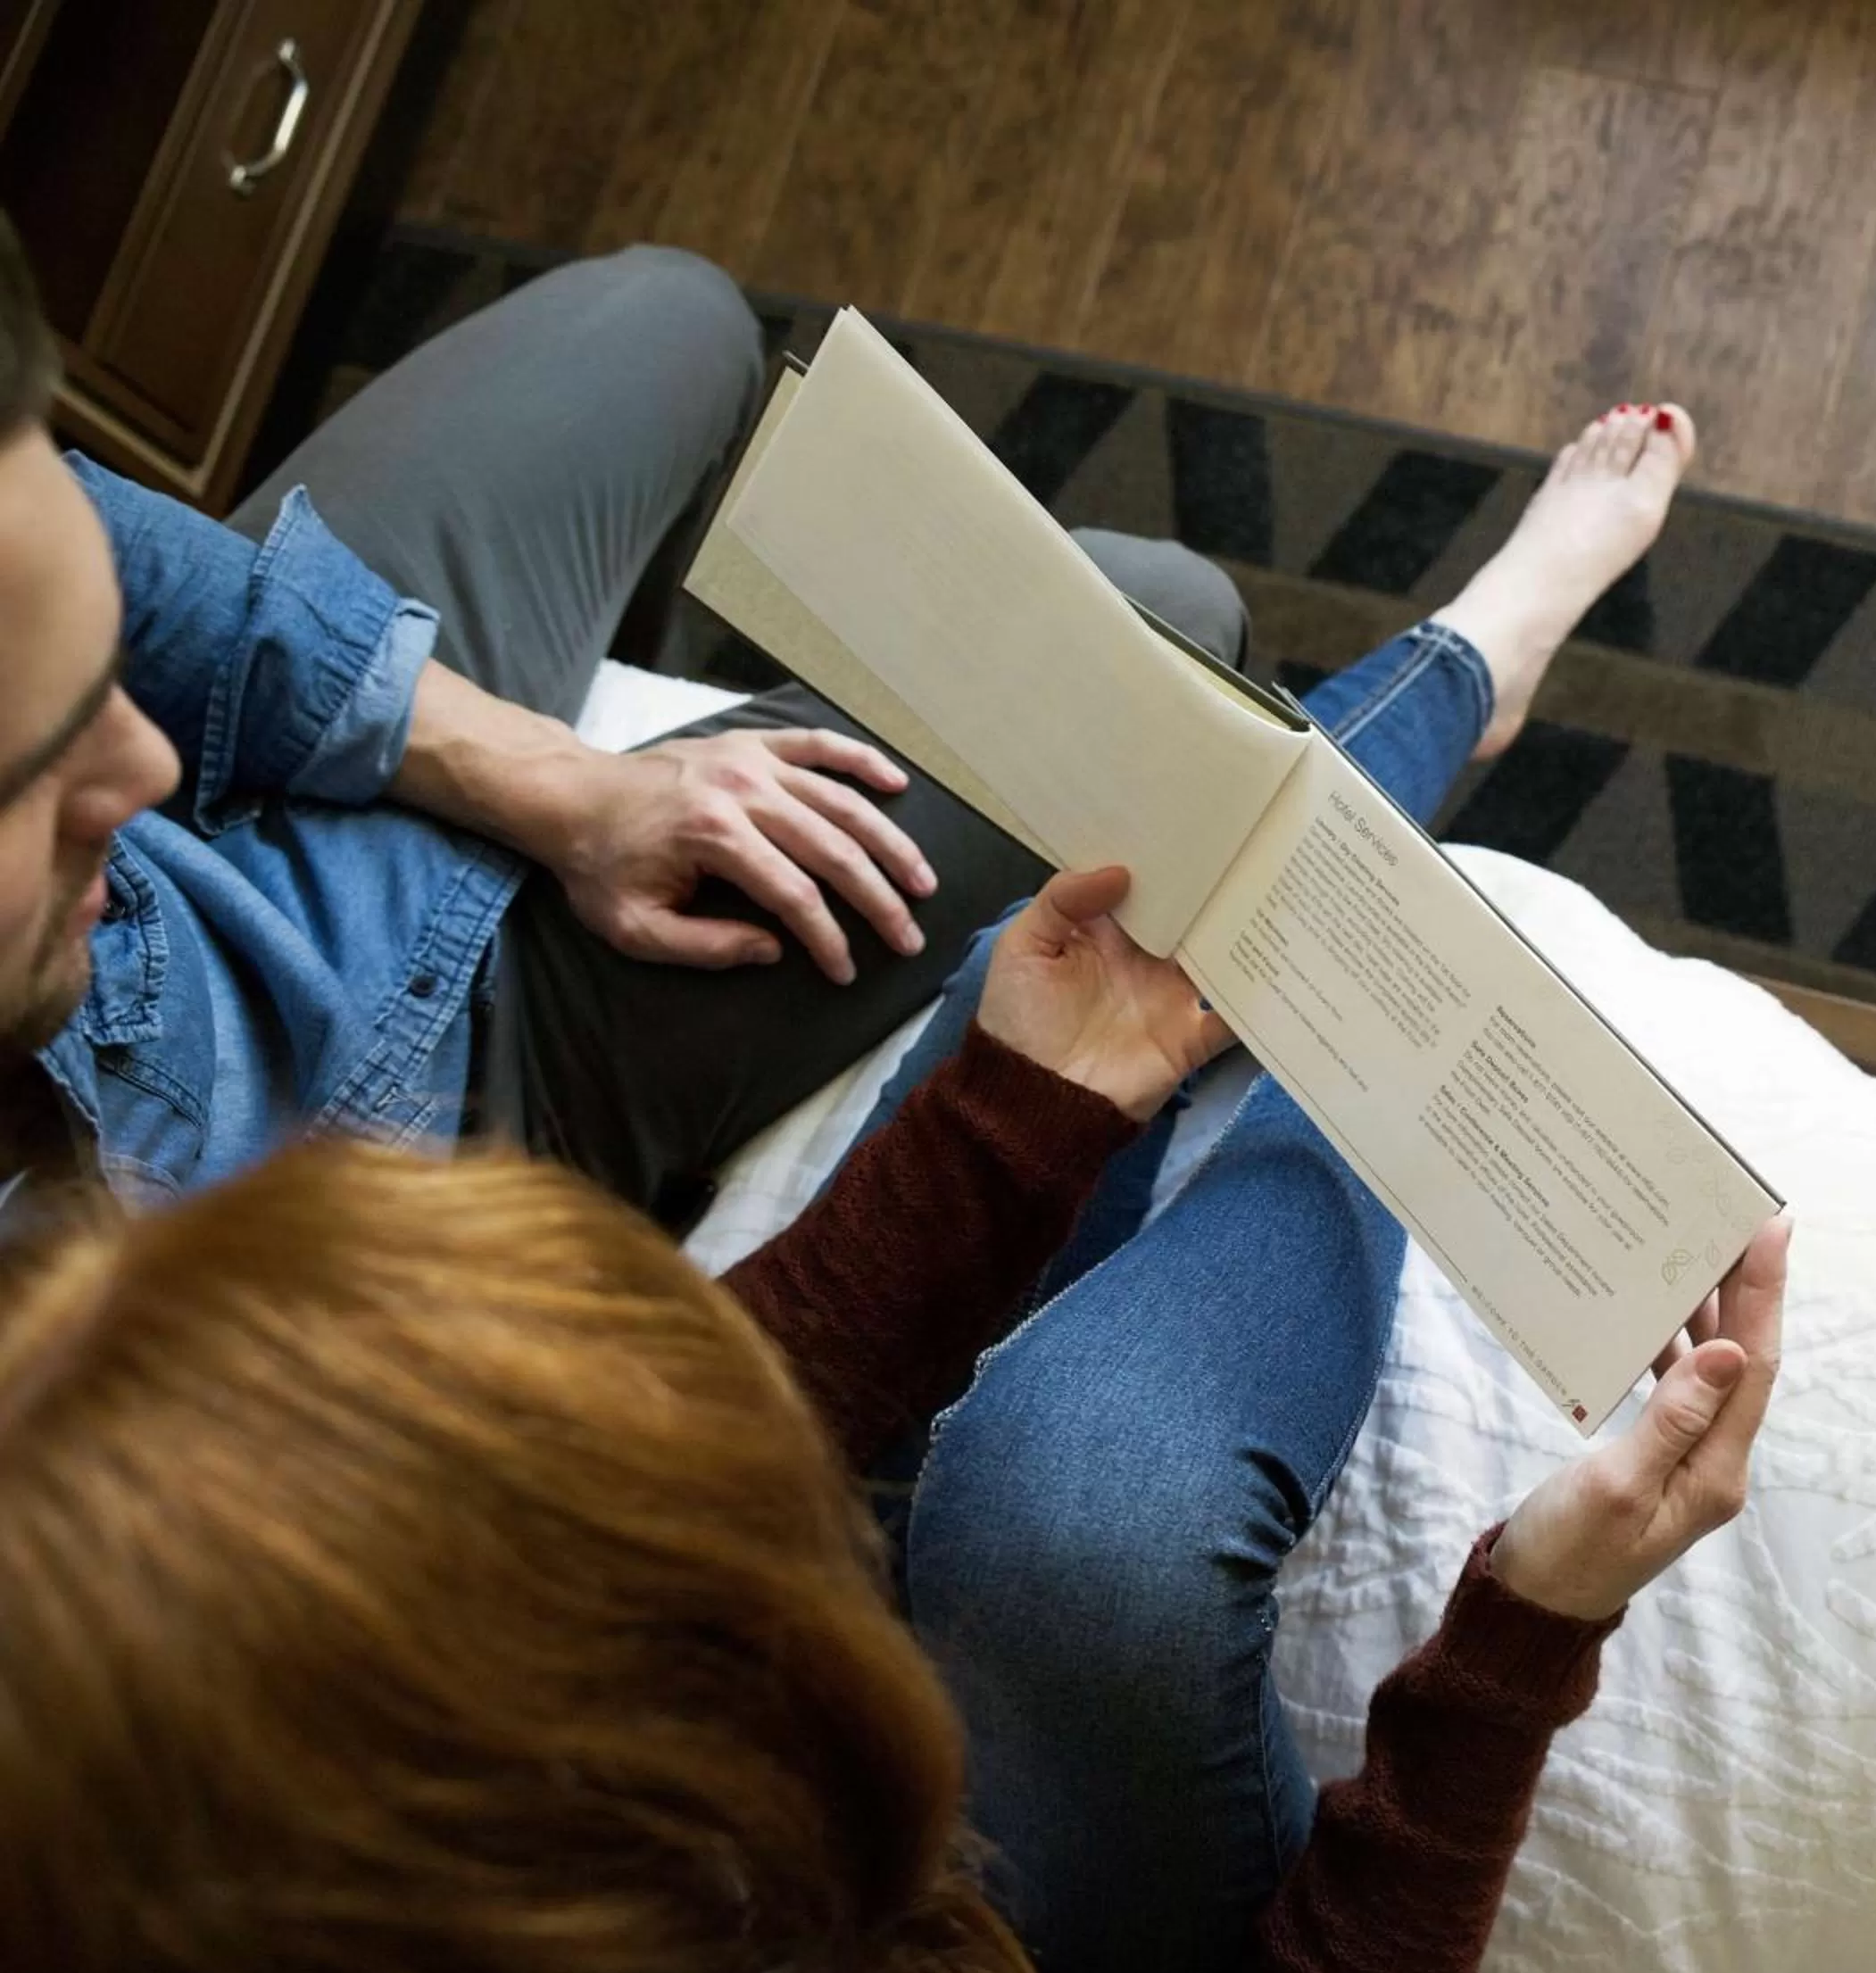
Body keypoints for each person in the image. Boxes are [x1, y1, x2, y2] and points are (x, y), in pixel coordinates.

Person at [0, 400, 1792, 1973]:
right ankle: (1453, 743)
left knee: (1150, 940)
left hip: (761, 1689)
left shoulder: (283, 1643)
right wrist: (1526, 1633)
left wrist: (1009, 1123)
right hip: (963, 1862)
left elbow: (635, 1487)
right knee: (1074, 1503)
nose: (144, 771)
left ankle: (1465, 672)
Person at [0, 211, 1243, 1224]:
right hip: (428, 1083)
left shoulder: (132, 775)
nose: (139, 753)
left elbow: (94, 528)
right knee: (1161, 635)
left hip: (277, 769)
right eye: (38, 762)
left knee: (676, 313)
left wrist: (565, 787)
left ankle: (606, 680)